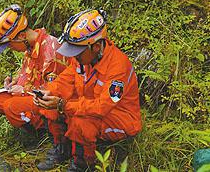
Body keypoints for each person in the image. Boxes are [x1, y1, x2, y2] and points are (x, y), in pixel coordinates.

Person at [34, 9, 142, 171]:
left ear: (96, 46)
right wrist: (48, 93)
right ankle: (62, 150)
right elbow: (64, 81)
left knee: (81, 122)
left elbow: (102, 107)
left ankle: (83, 164)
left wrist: (63, 105)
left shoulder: (118, 67)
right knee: (50, 108)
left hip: (120, 118)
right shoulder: (83, 57)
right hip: (90, 108)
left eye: (77, 52)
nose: (74, 56)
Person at [0, 4, 70, 136]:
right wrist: (14, 83)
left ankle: (41, 132)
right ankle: (30, 120)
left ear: (21, 36)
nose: (10, 48)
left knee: (11, 106)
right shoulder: (29, 49)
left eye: (9, 44)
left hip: (48, 102)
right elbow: (27, 76)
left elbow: (53, 90)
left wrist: (24, 90)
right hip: (31, 95)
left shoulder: (50, 49)